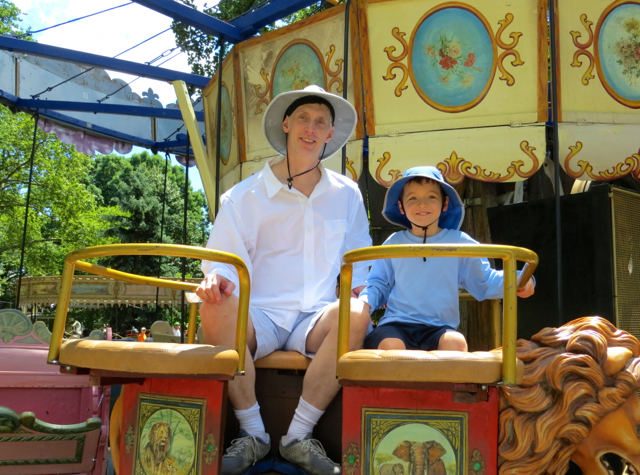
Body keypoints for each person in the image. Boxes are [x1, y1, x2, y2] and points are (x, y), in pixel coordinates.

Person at [195, 85, 372, 475]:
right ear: (287, 125)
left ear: (329, 135)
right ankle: (253, 433)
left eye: (321, 122)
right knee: (215, 305)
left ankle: (298, 435)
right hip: (262, 316)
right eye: (304, 119)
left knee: (358, 312)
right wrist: (216, 282)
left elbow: (359, 261)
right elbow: (223, 261)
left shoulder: (348, 194)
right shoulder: (243, 196)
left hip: (316, 318)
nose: (311, 128)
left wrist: (363, 290)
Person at [359, 166, 535, 352]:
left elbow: (483, 280)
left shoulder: (459, 242)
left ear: (444, 203)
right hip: (396, 325)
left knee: (455, 343)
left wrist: (519, 279)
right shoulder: (394, 243)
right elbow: (378, 284)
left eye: (431, 197)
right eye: (412, 198)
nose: (422, 204)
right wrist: (363, 303)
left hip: (438, 328)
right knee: (392, 346)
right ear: (401, 206)